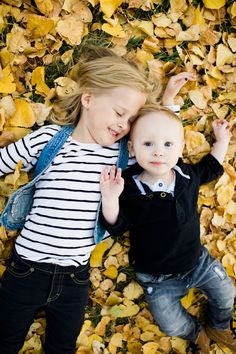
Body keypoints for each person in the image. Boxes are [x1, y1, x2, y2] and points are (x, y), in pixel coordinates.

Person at [0, 45, 193, 354]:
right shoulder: (50, 139)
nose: (123, 125)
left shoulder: (123, 156)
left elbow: (160, 143)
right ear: (88, 99)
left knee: (62, 348)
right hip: (26, 270)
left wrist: (169, 103)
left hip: (75, 278)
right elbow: (3, 161)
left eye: (130, 120)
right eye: (119, 113)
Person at [100, 104, 236, 354]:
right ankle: (195, 333)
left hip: (197, 262)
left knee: (227, 292)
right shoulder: (128, 186)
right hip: (157, 277)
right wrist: (110, 198)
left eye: (168, 145)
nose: (158, 153)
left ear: (180, 149)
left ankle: (219, 325)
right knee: (170, 324)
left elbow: (211, 167)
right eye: (148, 144)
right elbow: (117, 225)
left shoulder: (186, 176)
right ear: (132, 148)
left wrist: (222, 140)